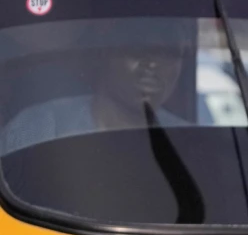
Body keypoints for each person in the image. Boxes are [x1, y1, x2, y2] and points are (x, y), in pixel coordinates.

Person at [3, 18, 190, 155]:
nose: (152, 64)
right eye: (137, 49)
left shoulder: (191, 143)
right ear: (106, 53)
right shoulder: (40, 128)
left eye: (169, 53)